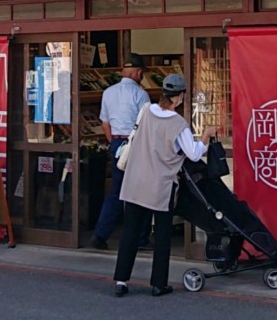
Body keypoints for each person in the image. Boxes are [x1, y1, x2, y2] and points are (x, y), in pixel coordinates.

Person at [112, 73, 216, 297]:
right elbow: (194, 154)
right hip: (161, 184)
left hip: (135, 180)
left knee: (129, 231)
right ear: (179, 97)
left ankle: (121, 280)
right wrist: (206, 137)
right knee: (161, 234)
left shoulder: (146, 111)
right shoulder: (178, 124)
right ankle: (158, 283)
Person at [89, 55, 150, 250]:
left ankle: (100, 235)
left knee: (117, 191)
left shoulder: (108, 92)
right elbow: (146, 125)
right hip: (136, 144)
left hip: (116, 142)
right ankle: (140, 238)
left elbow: (105, 123)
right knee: (142, 192)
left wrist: (114, 144)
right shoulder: (141, 95)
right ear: (139, 72)